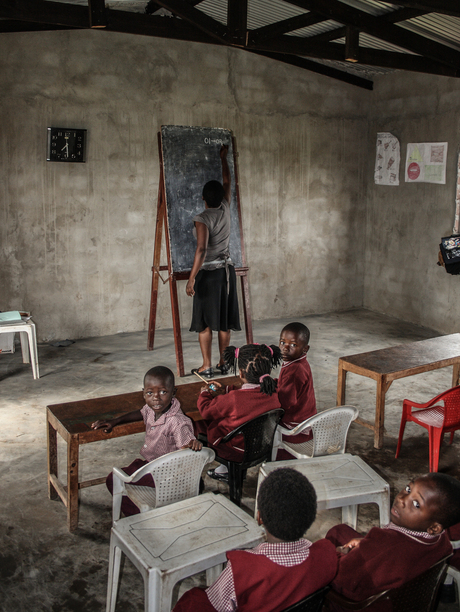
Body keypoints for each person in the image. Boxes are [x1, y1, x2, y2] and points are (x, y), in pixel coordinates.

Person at [172, 467, 338, 612]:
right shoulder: (325, 557)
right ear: (310, 518)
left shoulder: (242, 570)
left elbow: (213, 604)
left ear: (259, 518)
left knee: (193, 599)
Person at [325, 473, 460, 611]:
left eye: (416, 504)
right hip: (407, 600)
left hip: (365, 604)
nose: (401, 499)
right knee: (340, 531)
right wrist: (366, 544)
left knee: (324, 553)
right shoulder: (442, 541)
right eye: (408, 489)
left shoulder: (383, 543)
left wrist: (339, 554)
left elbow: (342, 574)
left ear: (434, 527)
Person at [91, 365, 202, 516]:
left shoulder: (177, 421)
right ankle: (145, 514)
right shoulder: (152, 408)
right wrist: (116, 421)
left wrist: (192, 444)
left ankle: (143, 518)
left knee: (113, 479)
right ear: (143, 394)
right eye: (150, 393)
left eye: (163, 392)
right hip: (153, 465)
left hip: (167, 475)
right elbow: (142, 412)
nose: (156, 397)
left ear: (173, 393)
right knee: (131, 470)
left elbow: (187, 447)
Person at [186, 144, 241, 379]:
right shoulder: (226, 208)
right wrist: (223, 159)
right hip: (227, 272)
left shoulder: (203, 218)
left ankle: (206, 366)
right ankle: (224, 364)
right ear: (220, 197)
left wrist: (191, 279)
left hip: (208, 275)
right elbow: (228, 182)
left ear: (203, 199)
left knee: (205, 323)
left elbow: (201, 249)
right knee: (225, 322)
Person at [196, 343, 282, 481]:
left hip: (235, 451)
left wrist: (204, 393)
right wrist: (228, 389)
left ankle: (210, 470)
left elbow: (206, 411)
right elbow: (250, 395)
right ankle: (225, 471)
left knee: (197, 425)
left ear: (241, 372)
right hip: (261, 446)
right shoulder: (273, 389)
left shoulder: (234, 399)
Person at [275, 322, 316, 460]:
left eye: (293, 345)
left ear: (305, 349)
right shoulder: (299, 362)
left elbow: (285, 403)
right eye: (282, 342)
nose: (285, 348)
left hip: (294, 428)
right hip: (306, 419)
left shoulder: (294, 371)